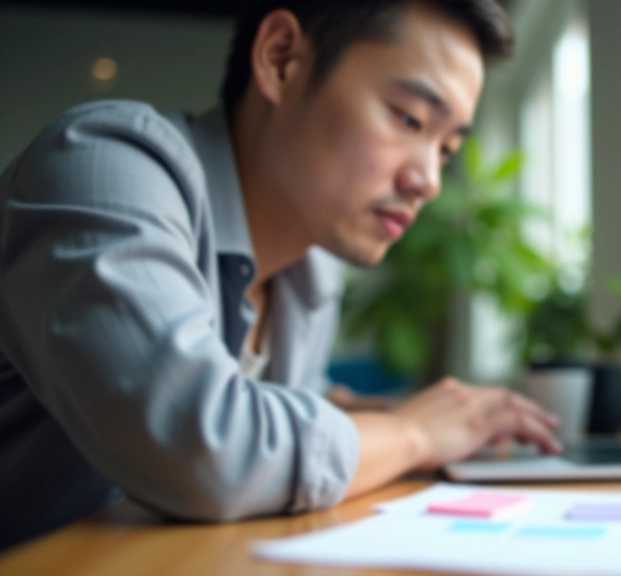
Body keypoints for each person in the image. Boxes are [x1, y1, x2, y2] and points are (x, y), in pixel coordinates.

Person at [0, 0, 562, 550]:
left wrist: (439, 416)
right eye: (409, 118)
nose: (429, 181)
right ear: (281, 58)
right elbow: (205, 447)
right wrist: (413, 434)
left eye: (446, 148)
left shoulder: (309, 269)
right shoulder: (103, 169)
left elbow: (286, 401)